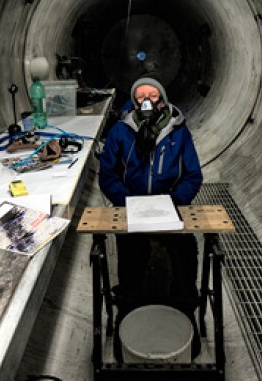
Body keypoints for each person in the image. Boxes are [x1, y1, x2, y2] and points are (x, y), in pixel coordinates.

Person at [98, 77, 204, 358]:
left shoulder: (178, 133)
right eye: (141, 96)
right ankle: (129, 306)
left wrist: (174, 202)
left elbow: (193, 175)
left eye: (153, 95)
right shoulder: (121, 132)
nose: (147, 101)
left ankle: (185, 307)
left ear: (164, 100)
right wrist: (127, 201)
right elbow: (107, 176)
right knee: (130, 251)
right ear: (133, 102)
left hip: (169, 203)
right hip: (132, 203)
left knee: (185, 250)